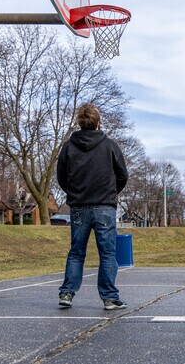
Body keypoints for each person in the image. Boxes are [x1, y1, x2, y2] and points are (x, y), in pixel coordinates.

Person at [57, 103, 129, 310]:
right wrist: (110, 192)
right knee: (107, 253)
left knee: (76, 252)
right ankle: (109, 298)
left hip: (78, 206)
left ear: (80, 123)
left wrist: (74, 192)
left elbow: (61, 177)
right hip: (104, 206)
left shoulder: (69, 147)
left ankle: (67, 294)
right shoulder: (110, 145)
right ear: (98, 123)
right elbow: (123, 175)